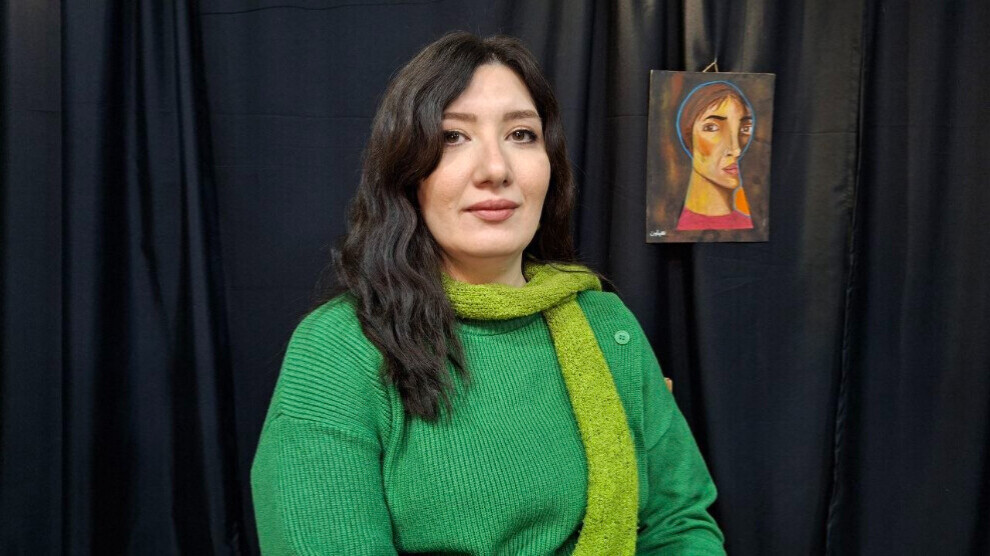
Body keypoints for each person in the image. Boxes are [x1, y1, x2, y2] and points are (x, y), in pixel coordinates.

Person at [251, 31, 725, 555]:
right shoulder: (340, 348)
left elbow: (679, 525)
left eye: (521, 134)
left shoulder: (605, 323)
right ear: (407, 172)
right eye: (453, 136)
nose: (496, 170)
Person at [675, 81, 755, 231]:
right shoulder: (668, 225)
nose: (736, 150)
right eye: (712, 127)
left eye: (745, 129)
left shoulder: (749, 228)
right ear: (688, 136)